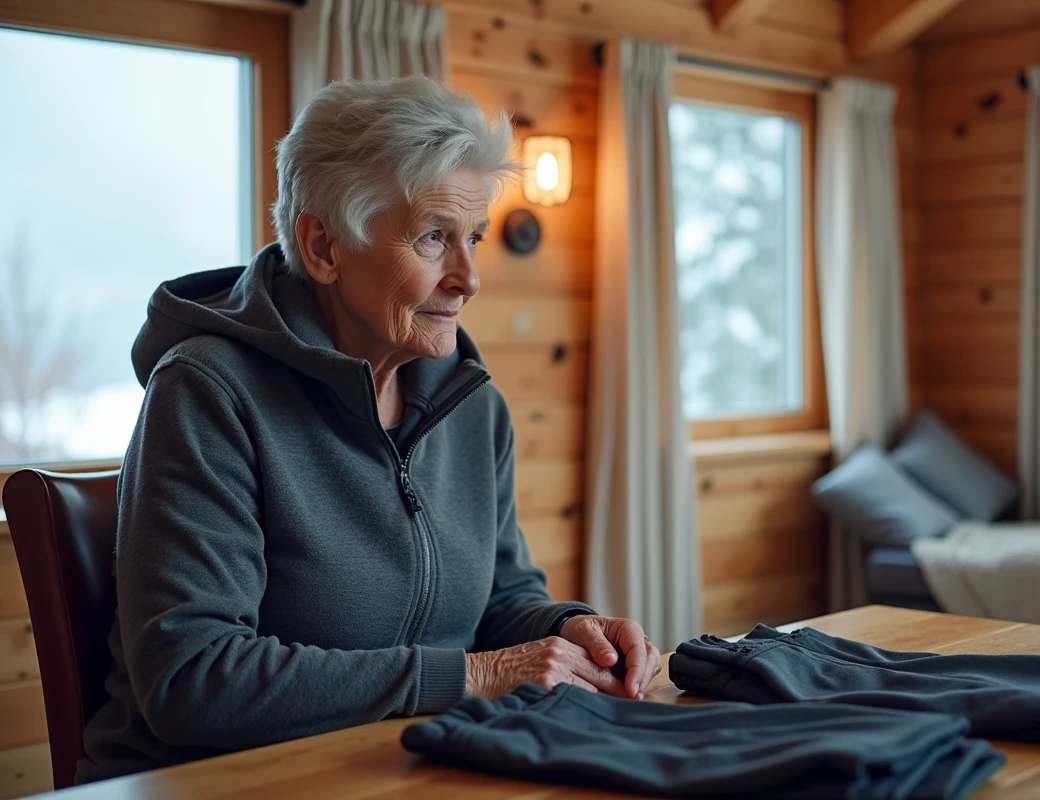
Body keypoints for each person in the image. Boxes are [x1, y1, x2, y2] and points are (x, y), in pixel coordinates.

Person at [78, 76, 661, 783]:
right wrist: (473, 677)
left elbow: (503, 600)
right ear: (324, 245)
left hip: (415, 762)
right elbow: (193, 678)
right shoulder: (207, 392)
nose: (469, 277)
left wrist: (569, 631)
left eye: (473, 237)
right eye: (433, 238)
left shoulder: (474, 408)